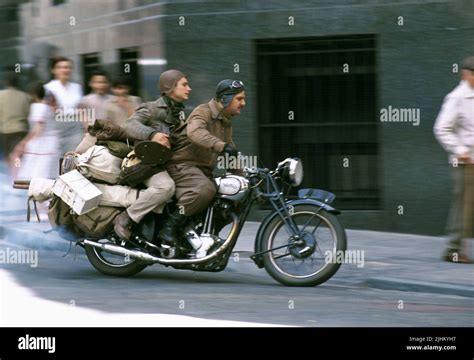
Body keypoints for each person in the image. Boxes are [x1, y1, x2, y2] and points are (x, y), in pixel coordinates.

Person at [158, 79, 246, 248]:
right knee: (205, 189)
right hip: (182, 166)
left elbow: (230, 155)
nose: (243, 103)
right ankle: (169, 228)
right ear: (225, 99)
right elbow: (195, 132)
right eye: (239, 98)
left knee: (234, 197)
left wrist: (244, 177)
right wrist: (221, 146)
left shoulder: (225, 122)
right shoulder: (203, 111)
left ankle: (203, 233)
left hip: (201, 171)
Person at [113, 69, 192, 240]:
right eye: (184, 85)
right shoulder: (152, 108)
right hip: (148, 165)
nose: (189, 88)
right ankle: (126, 218)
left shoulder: (179, 114)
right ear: (170, 87)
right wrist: (151, 135)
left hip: (169, 163)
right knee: (166, 187)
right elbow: (130, 125)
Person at [434, 55, 474, 264]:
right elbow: (441, 128)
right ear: (466, 75)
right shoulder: (456, 97)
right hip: (464, 163)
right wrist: (460, 151)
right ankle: (453, 250)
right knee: (463, 207)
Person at [13, 82, 59, 180]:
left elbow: (37, 129)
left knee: (36, 175)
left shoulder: (37, 107)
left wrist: (23, 143)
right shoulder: (49, 108)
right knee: (47, 176)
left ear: (33, 94)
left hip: (40, 145)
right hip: (51, 144)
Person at [44, 56, 84, 155]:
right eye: (60, 67)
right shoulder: (48, 88)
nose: (65, 70)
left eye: (67, 67)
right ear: (53, 70)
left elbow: (81, 109)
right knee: (59, 161)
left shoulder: (77, 87)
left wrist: (87, 129)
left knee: (74, 158)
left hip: (75, 128)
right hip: (56, 128)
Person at [75, 70, 113, 153]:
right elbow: (85, 123)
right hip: (91, 138)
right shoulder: (84, 101)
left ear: (108, 84)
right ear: (91, 83)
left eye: (103, 82)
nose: (101, 85)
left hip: (111, 137)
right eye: (97, 82)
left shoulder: (113, 100)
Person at [0, 72, 30, 175]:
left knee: (9, 156)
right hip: (21, 130)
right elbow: (28, 113)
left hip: (6, 130)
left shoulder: (1, 95)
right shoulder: (25, 96)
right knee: (19, 156)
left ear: (5, 82)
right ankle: (18, 176)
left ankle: (12, 176)